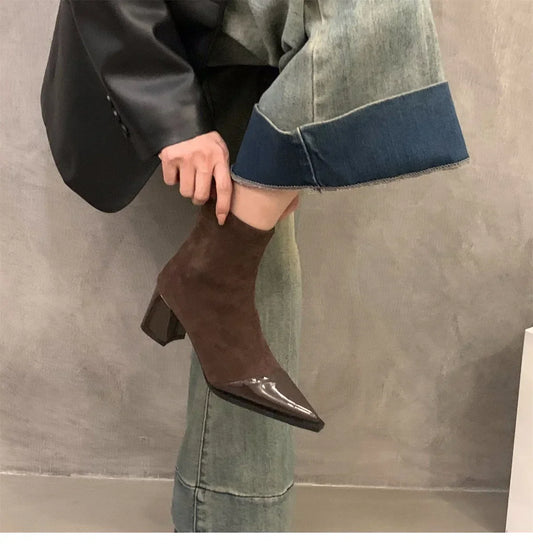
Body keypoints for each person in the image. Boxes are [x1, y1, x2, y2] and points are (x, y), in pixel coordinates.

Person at [41, 0, 469, 533]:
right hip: (165, 33)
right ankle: (233, 522)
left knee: (249, 260)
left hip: (260, 42)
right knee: (254, 265)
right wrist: (168, 107)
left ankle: (212, 275)